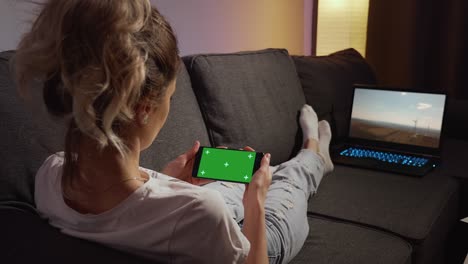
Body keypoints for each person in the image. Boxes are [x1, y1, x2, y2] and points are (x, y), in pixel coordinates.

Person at [14, 0, 334, 263]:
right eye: (171, 97)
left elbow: (134, 216)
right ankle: (312, 152)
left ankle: (292, 163)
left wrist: (173, 182)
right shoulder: (200, 215)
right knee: (287, 183)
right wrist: (255, 205)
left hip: (195, 231)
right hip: (250, 242)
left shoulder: (51, 174)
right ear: (144, 108)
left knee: (255, 174)